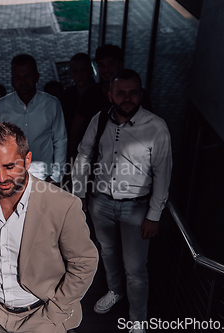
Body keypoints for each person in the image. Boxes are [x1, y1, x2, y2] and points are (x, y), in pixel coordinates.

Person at [0, 122, 98, 333]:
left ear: (28, 160)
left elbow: (84, 262)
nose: (1, 178)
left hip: (42, 315)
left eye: (10, 166)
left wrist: (55, 313)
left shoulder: (63, 205)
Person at [72, 69, 172, 333]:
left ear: (141, 94)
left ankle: (138, 318)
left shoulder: (156, 127)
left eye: (133, 92)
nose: (127, 98)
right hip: (100, 202)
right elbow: (83, 155)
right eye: (121, 93)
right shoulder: (99, 119)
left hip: (137, 208)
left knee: (136, 268)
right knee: (107, 252)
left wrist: (154, 215)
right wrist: (80, 193)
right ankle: (115, 291)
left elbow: (163, 173)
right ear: (110, 95)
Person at [0, 54, 67, 184]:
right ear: (12, 79)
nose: (23, 81)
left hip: (44, 177)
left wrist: (56, 176)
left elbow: (60, 140)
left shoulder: (52, 104)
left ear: (37, 77)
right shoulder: (1, 106)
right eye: (18, 77)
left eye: (27, 76)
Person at [69, 45, 151, 162]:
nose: (106, 69)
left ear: (120, 64)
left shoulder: (137, 94)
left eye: (111, 64)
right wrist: (73, 161)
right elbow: (76, 130)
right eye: (101, 65)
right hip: (96, 162)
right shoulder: (90, 94)